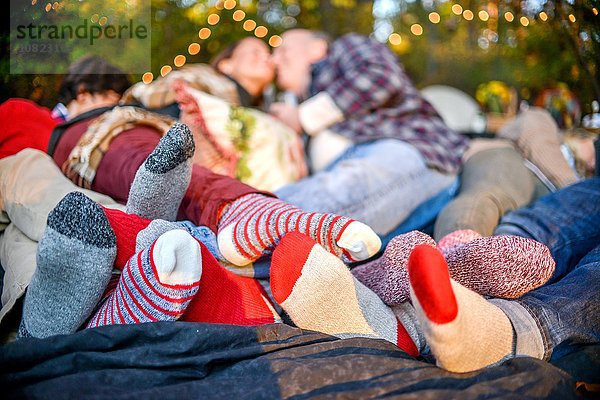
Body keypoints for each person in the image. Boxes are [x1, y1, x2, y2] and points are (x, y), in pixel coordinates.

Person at [268, 30, 469, 235]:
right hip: (378, 203)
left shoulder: (345, 47)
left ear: (317, 48)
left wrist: (303, 117)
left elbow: (381, 76)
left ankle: (247, 216)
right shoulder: (297, 101)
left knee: (316, 204)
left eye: (283, 50)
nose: (274, 60)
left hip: (409, 147)